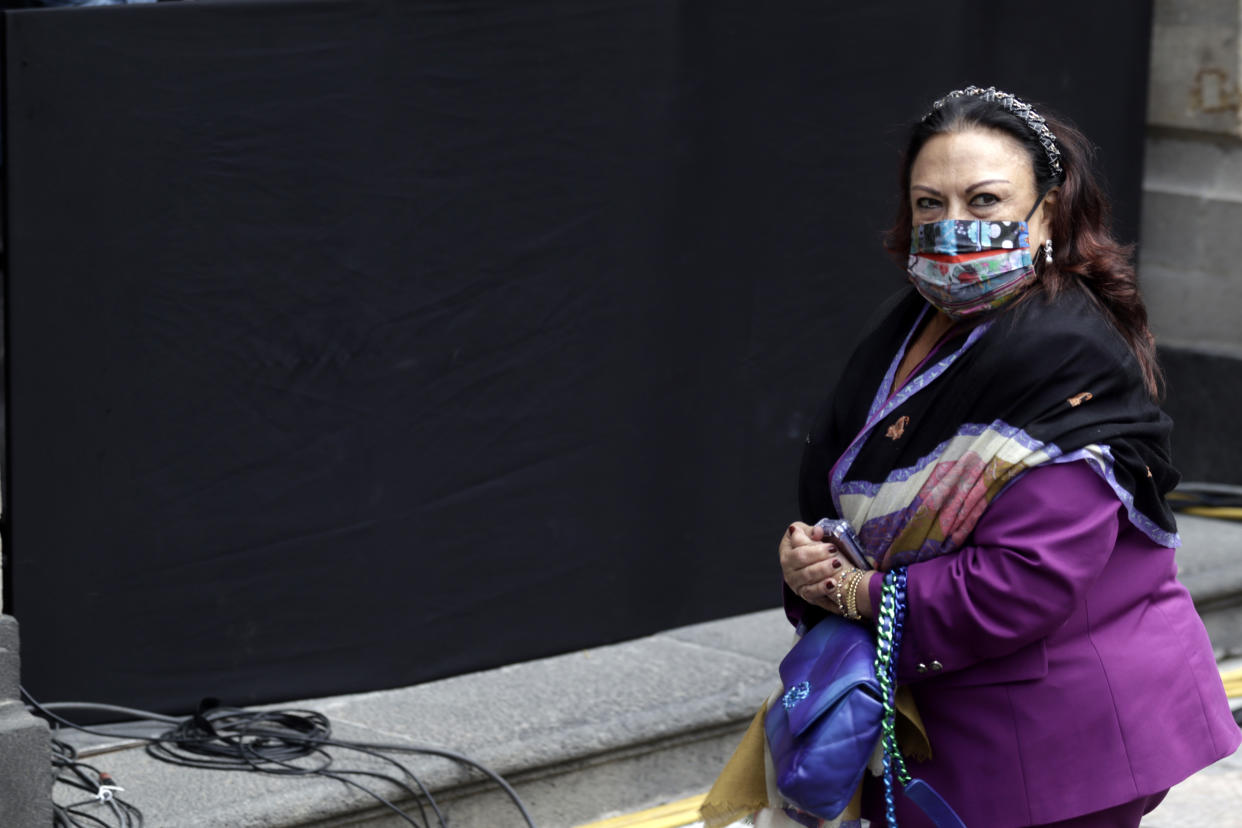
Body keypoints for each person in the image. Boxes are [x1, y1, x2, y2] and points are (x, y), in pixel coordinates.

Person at [775, 86, 1240, 828]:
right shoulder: (909, 329)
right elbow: (850, 492)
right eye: (930, 204)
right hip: (948, 718)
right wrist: (812, 561)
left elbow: (1019, 581)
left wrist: (851, 592)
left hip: (1056, 739)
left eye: (984, 200)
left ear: (1048, 211)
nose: (953, 227)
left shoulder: (1066, 355)